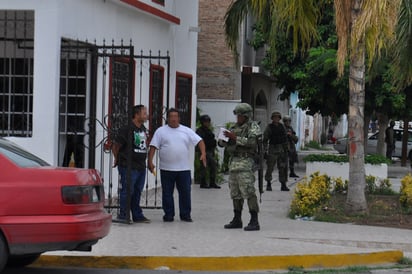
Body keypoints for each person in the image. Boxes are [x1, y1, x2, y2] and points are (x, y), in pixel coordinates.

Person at [148, 108, 207, 222]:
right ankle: (169, 214)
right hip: (166, 168)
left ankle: (185, 215)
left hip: (183, 169)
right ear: (168, 118)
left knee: (185, 192)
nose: (174, 119)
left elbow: (200, 141)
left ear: (179, 118)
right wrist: (150, 161)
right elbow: (153, 146)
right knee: (167, 193)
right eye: (171, 117)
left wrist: (203, 154)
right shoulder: (161, 131)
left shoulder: (186, 130)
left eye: (176, 116)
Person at [218, 103, 261, 231]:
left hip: (246, 162)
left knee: (248, 191)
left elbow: (252, 142)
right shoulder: (234, 127)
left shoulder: (253, 127)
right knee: (235, 193)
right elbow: (222, 144)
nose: (238, 118)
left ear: (246, 116)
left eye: (240, 116)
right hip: (233, 163)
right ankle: (237, 219)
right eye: (237, 115)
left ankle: (254, 220)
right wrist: (223, 139)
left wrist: (235, 138)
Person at [111, 104, 150, 223]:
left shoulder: (142, 128)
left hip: (141, 166)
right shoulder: (126, 129)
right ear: (137, 114)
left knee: (137, 191)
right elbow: (116, 146)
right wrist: (117, 159)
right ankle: (123, 215)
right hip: (128, 166)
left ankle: (137, 215)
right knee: (128, 190)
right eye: (144, 113)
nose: (146, 115)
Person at [263, 111, 289, 191]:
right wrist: (265, 149)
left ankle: (283, 184)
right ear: (272, 118)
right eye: (275, 117)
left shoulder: (282, 127)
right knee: (270, 167)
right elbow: (265, 139)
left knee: (282, 167)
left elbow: (285, 138)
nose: (276, 119)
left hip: (281, 149)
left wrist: (286, 150)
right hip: (272, 149)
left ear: (279, 118)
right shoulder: (269, 127)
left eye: (278, 117)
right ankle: (268, 183)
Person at [196, 114, 220, 189]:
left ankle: (212, 182)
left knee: (213, 166)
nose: (207, 123)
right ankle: (203, 182)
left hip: (210, 150)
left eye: (208, 122)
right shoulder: (200, 131)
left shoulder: (208, 130)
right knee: (204, 166)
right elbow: (201, 141)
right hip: (204, 151)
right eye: (205, 122)